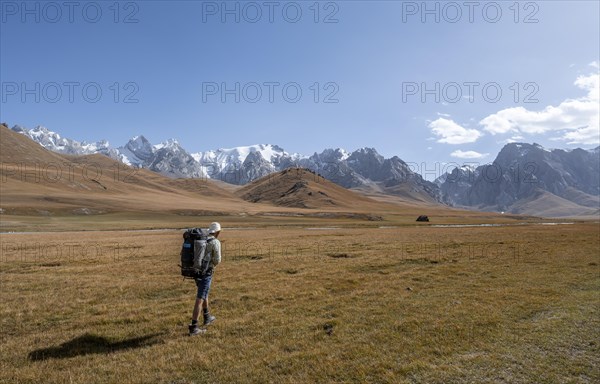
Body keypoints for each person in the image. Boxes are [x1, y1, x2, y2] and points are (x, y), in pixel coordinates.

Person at [189, 222, 222, 336]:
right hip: (206, 272)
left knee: (204, 293)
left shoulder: (202, 239)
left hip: (196, 271)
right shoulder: (215, 242)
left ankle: (207, 317)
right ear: (218, 232)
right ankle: (194, 327)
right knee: (200, 298)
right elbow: (217, 260)